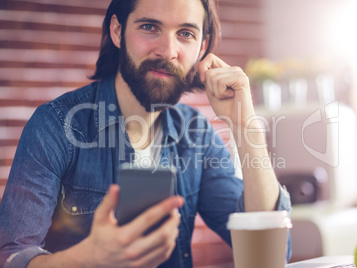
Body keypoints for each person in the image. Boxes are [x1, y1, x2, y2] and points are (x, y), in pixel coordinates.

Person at [0, 0, 291, 267]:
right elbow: (12, 257)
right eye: (150, 27)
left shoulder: (196, 133)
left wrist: (244, 125)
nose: (167, 51)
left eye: (185, 34)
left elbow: (270, 251)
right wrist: (89, 258)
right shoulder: (57, 124)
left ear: (202, 48)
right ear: (117, 31)